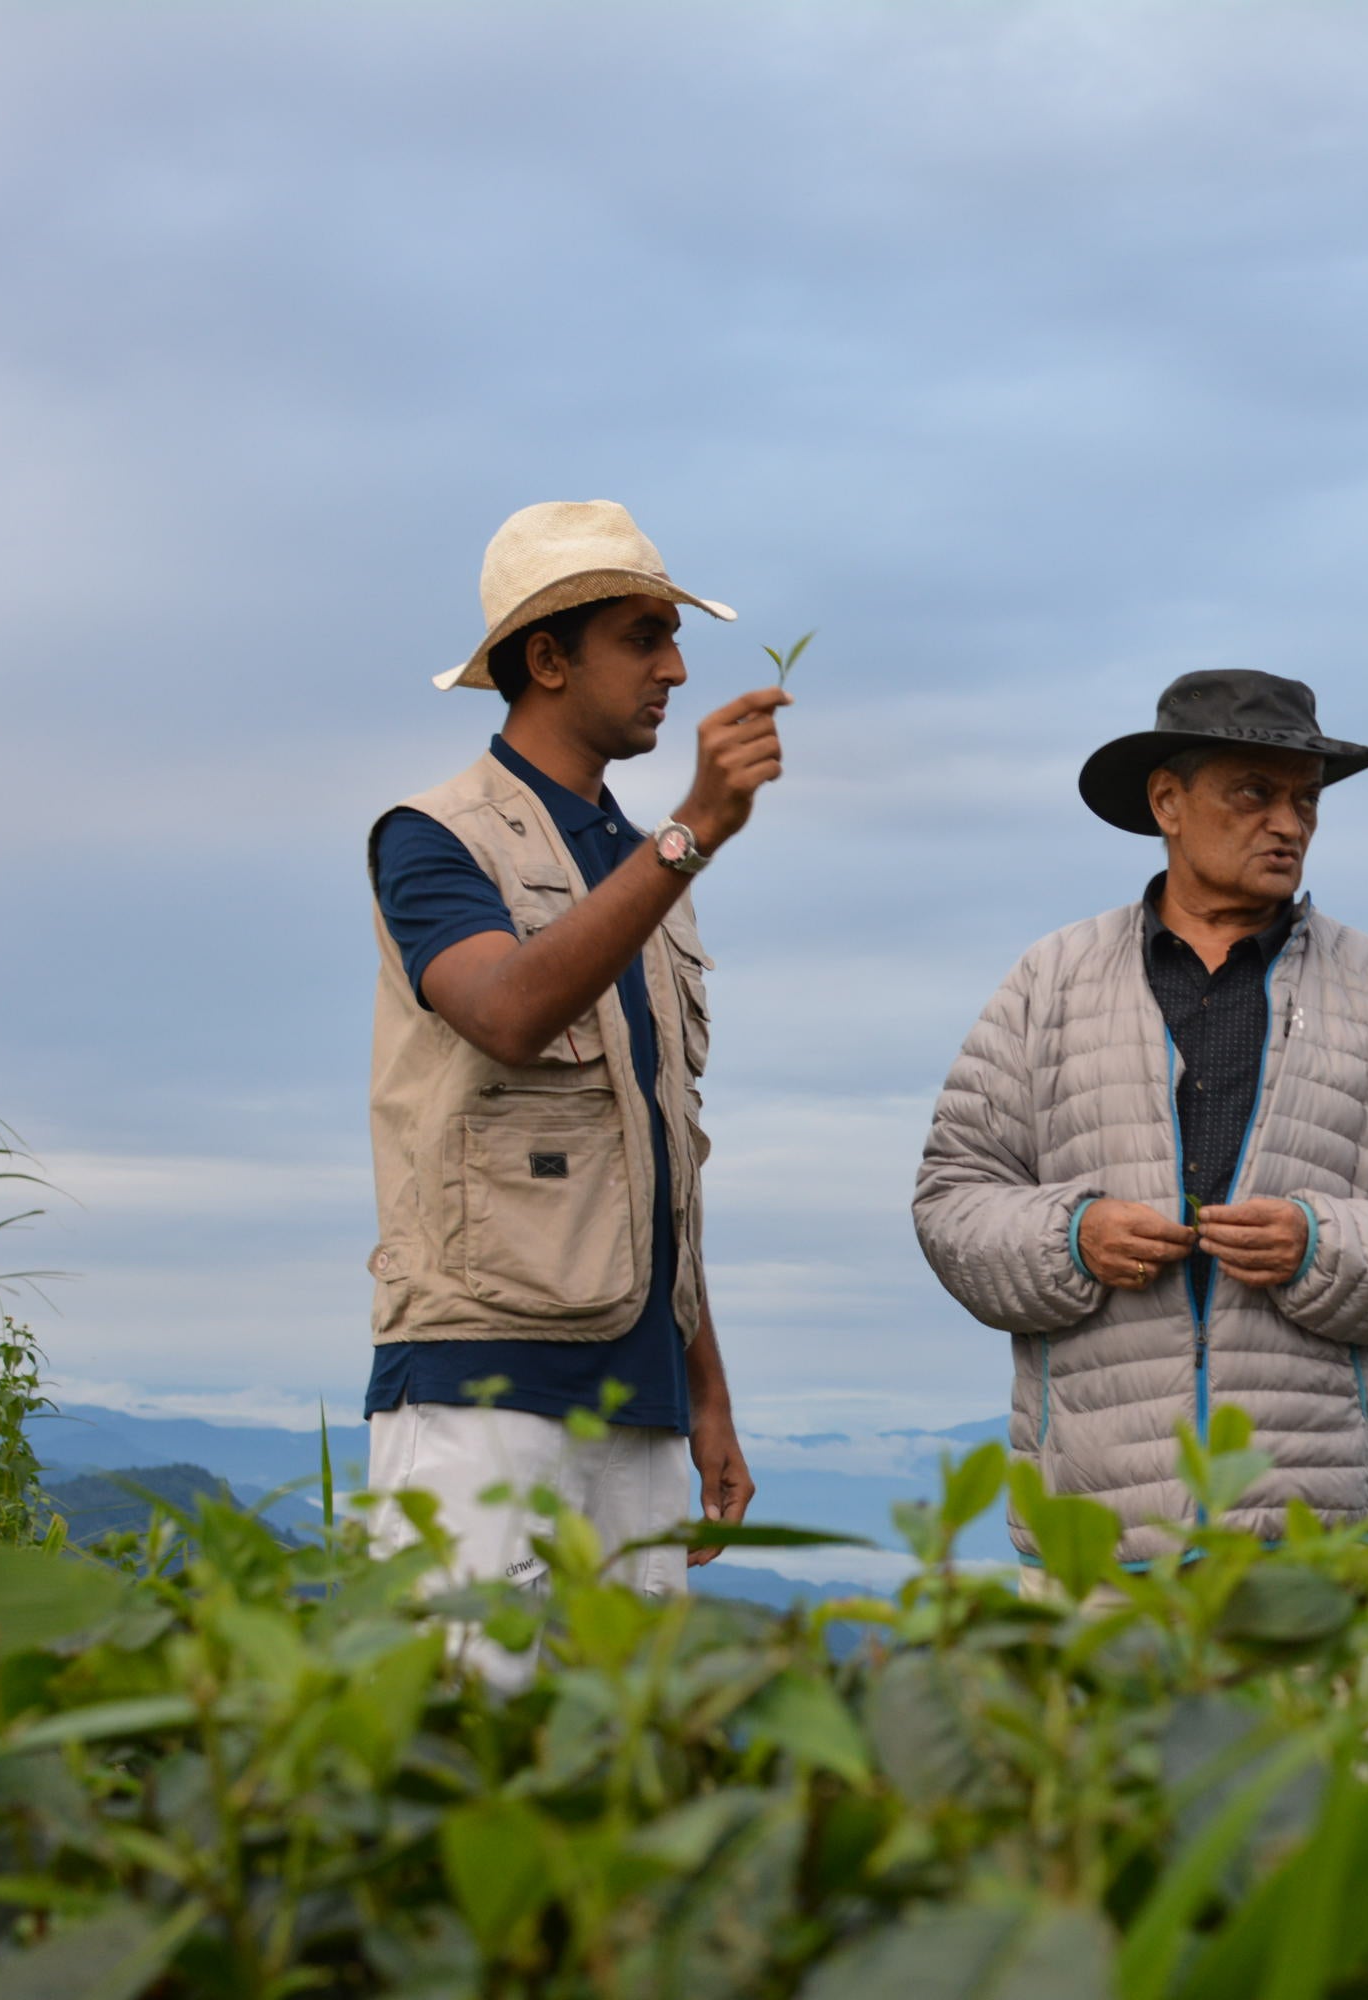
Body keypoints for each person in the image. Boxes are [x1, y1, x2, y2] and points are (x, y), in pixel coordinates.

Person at [915, 670, 1368, 1570]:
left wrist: (1319, 1243)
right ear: (1168, 803)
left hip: (1302, 1542)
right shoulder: (1052, 979)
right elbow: (953, 1199)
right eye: (1255, 794)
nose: (1290, 824)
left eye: (1306, 801)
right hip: (1093, 1540)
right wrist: (1072, 1237)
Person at [363, 499, 784, 1666]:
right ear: (545, 659)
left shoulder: (644, 868)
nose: (677, 669)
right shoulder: (433, 836)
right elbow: (503, 1011)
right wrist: (695, 826)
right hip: (474, 1391)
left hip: (639, 1405)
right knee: (456, 1758)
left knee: (616, 1787)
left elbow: (660, 1150)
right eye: (644, 637)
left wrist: (707, 1394)